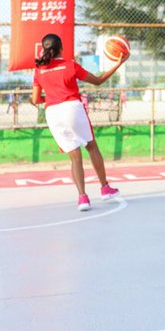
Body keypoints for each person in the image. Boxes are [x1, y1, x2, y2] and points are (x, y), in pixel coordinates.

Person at [31, 33, 127, 211]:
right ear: (61, 48)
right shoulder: (70, 65)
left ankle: (83, 198)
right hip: (71, 108)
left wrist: (52, 97)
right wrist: (119, 63)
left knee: (74, 157)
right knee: (91, 147)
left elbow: (36, 99)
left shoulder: (39, 70)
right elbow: (98, 81)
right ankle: (105, 188)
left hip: (52, 113)